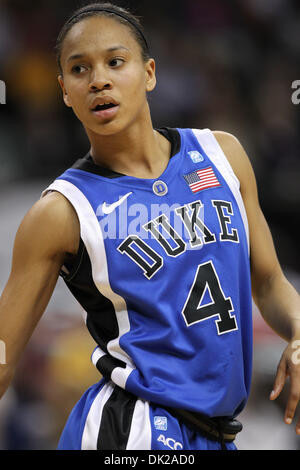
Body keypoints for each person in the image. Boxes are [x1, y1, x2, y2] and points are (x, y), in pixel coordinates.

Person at [0, 1, 300, 451]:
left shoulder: (223, 154)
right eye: (80, 70)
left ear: (150, 73)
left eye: (115, 62)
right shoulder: (62, 211)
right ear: (64, 90)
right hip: (132, 429)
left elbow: (270, 281)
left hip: (217, 431)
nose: (99, 79)